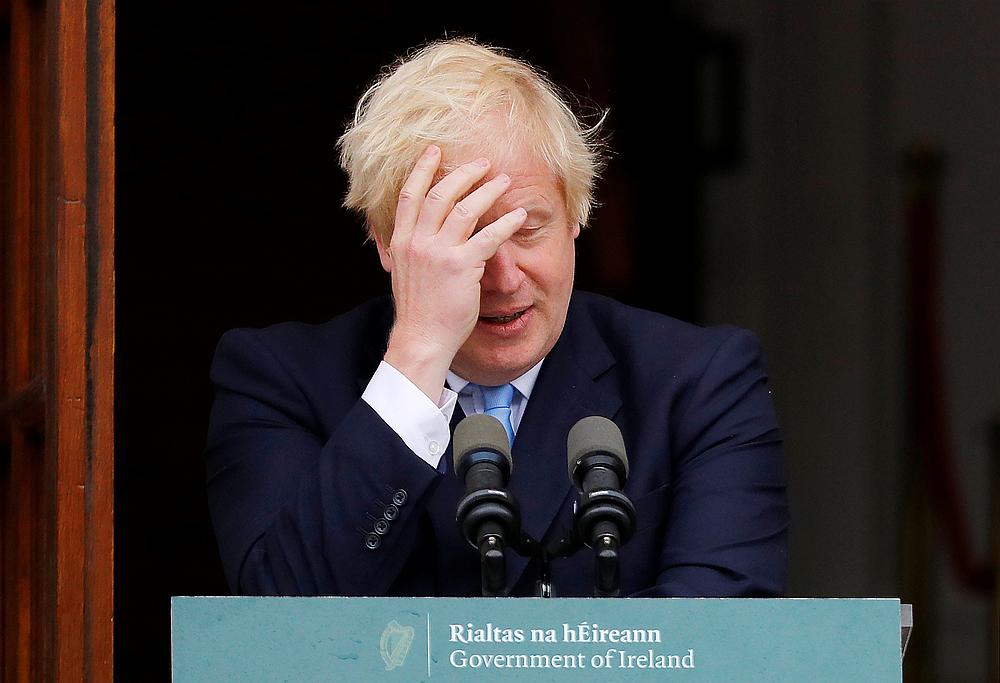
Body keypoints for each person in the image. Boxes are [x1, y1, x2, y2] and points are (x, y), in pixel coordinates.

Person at [206, 39, 789, 598]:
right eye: (466, 236)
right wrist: (417, 356)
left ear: (576, 218)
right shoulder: (278, 379)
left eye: (528, 229)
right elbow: (281, 619)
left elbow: (723, 632)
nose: (504, 277)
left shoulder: (701, 381)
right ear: (388, 241)